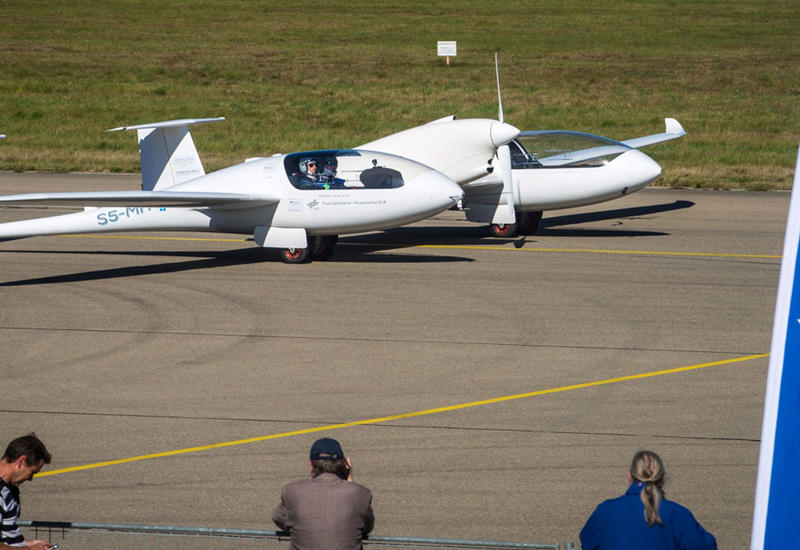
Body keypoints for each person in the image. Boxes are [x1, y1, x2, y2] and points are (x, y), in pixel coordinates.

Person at [579, 450, 716, 550]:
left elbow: (587, 543)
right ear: (663, 478)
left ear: (630, 477)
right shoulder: (676, 513)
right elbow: (704, 545)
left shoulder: (605, 510)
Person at [272, 437, 374, 550]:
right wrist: (349, 482)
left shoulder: (292, 491)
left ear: (310, 464)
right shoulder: (361, 494)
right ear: (344, 464)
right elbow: (366, 525)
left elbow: (278, 518)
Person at [0, 434, 53, 550]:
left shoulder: (10, 489)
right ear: (21, 461)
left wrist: (28, 543)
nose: (30, 479)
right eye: (32, 472)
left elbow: (6, 536)